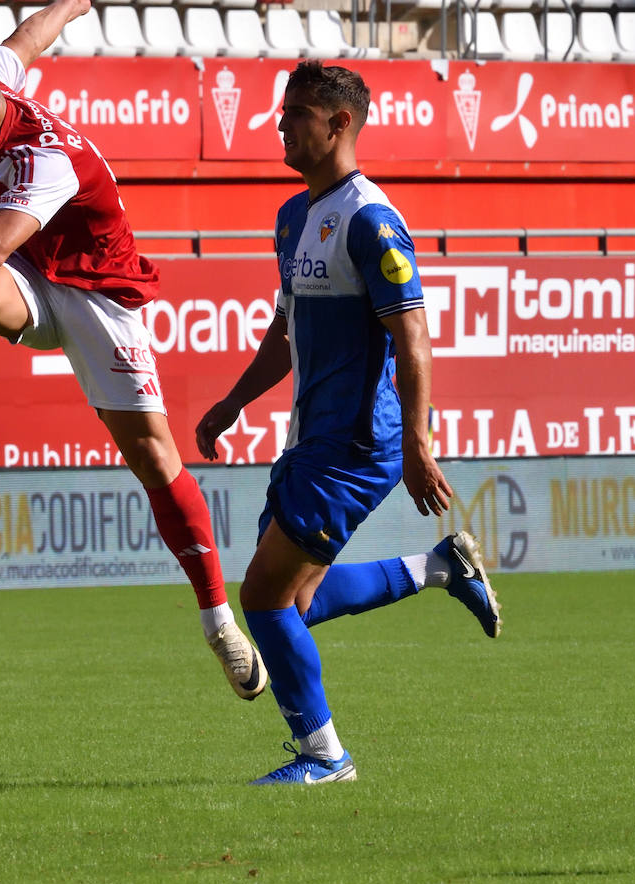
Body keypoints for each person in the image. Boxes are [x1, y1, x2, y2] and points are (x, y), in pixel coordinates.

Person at [0, 0, 267, 702]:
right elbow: (33, 35)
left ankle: (219, 619)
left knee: (155, 459)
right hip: (35, 273)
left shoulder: (44, 160)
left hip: (100, 296)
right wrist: (71, 3)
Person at [194, 62, 502, 785]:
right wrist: (234, 400)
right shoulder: (293, 217)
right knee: (294, 600)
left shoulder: (370, 220)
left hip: (356, 444)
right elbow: (287, 331)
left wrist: (419, 444)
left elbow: (413, 338)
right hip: (312, 439)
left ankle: (324, 757)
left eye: (297, 113)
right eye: (282, 112)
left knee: (263, 600)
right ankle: (439, 568)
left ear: (339, 124)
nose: (280, 125)